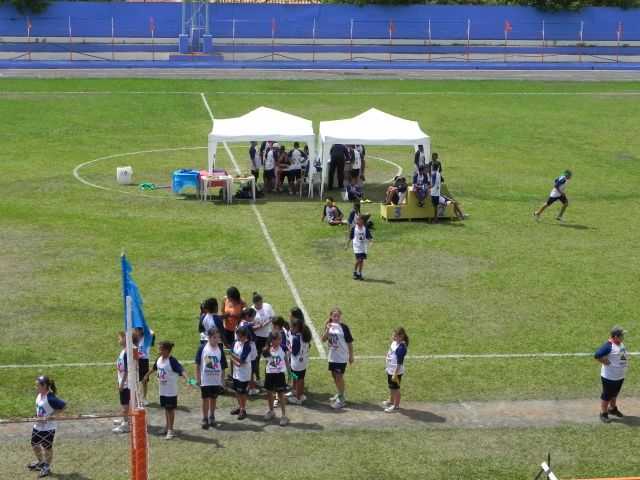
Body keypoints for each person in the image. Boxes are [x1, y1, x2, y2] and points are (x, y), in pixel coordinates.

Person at [144, 341, 191, 440]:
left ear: (166, 350)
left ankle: (170, 430)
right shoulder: (159, 359)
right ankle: (167, 426)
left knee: (170, 410)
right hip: (162, 390)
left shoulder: (172, 361)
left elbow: (181, 370)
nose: (158, 350)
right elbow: (154, 368)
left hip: (170, 391)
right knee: (166, 408)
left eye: (160, 349)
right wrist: (147, 375)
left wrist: (188, 380)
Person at [29, 375, 67, 478]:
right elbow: (40, 406)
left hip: (48, 428)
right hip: (38, 425)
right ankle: (40, 462)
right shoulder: (39, 394)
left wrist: (52, 415)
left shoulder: (50, 398)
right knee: (34, 444)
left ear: (44, 386)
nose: (36, 387)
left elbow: (64, 406)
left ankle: (46, 468)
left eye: (37, 385)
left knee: (47, 447)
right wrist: (37, 413)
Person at [594, 326, 629, 423]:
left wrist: (624, 364)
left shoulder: (620, 344)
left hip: (619, 375)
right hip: (610, 376)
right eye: (622, 335)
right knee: (607, 394)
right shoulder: (608, 346)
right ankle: (603, 412)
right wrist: (607, 362)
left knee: (614, 393)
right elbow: (597, 355)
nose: (623, 337)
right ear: (616, 336)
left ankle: (612, 409)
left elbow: (621, 357)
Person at [322, 307, 354, 409]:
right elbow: (323, 339)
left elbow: (350, 342)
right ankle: (339, 393)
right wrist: (327, 329)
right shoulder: (329, 326)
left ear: (340, 316)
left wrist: (351, 355)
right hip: (332, 356)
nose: (336, 318)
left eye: (338, 316)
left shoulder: (344, 327)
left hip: (341, 357)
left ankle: (341, 400)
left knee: (339, 378)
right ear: (331, 316)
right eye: (334, 316)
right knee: (334, 376)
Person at [195, 328, 227, 429]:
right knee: (205, 399)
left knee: (213, 398)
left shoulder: (220, 350)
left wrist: (222, 379)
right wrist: (198, 378)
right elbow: (197, 364)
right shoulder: (203, 348)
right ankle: (205, 418)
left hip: (216, 380)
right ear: (209, 338)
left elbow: (223, 366)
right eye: (214, 337)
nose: (216, 339)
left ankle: (212, 416)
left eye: (218, 337)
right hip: (205, 380)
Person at [262, 330, 291, 426]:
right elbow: (267, 363)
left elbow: (286, 360)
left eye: (280, 339)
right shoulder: (267, 349)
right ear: (273, 340)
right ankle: (271, 411)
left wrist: (289, 373)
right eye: (278, 339)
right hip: (270, 374)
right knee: (269, 393)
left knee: (281, 394)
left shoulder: (283, 348)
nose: (280, 340)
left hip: (279, 374)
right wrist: (266, 374)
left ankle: (283, 416)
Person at [227, 326, 252, 420]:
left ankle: (243, 409)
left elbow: (241, 361)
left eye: (240, 336)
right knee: (237, 391)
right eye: (237, 336)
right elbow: (232, 352)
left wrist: (230, 355)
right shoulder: (235, 342)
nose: (238, 338)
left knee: (242, 392)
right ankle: (239, 406)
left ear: (245, 336)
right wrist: (230, 353)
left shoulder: (247, 346)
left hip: (244, 372)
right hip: (236, 371)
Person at [286, 314, 311, 405]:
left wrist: (288, 347)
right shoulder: (305, 335)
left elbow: (294, 352)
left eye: (292, 327)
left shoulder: (296, 338)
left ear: (296, 327)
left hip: (297, 362)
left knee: (297, 380)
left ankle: (298, 398)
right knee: (301, 379)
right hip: (303, 361)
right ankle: (301, 395)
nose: (291, 328)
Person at [251, 292, 275, 389]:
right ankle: (258, 378)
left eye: (261, 303)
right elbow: (251, 326)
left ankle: (268, 378)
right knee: (256, 359)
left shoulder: (267, 306)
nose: (260, 305)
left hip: (268, 336)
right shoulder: (252, 310)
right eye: (258, 304)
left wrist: (268, 322)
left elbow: (272, 317)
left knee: (269, 357)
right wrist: (260, 326)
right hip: (257, 338)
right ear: (254, 303)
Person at [382, 327, 408, 413]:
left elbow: (399, 363)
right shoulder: (395, 342)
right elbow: (390, 352)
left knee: (396, 388)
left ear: (401, 336)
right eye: (393, 335)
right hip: (390, 369)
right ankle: (391, 401)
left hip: (396, 371)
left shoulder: (401, 348)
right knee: (391, 386)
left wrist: (395, 374)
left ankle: (396, 406)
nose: (393, 337)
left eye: (396, 336)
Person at [113, 331, 131, 434]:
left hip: (125, 384)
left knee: (125, 403)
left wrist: (122, 383)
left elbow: (127, 370)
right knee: (123, 402)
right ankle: (125, 418)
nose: (118, 340)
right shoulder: (124, 351)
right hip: (122, 382)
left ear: (125, 339)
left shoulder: (126, 353)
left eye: (119, 338)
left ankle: (125, 424)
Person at [346, 215, 372, 281]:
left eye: (358, 220)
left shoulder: (365, 228)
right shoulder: (354, 228)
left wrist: (370, 242)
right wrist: (346, 245)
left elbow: (368, 236)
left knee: (361, 262)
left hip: (363, 247)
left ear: (362, 221)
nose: (357, 221)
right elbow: (351, 237)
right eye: (356, 220)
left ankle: (359, 274)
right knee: (359, 260)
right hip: (357, 246)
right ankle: (355, 272)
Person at [133, 327, 155, 406]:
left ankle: (144, 398)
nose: (134, 331)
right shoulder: (133, 339)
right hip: (135, 361)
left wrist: (144, 326)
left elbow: (152, 333)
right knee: (134, 380)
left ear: (141, 331)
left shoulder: (147, 339)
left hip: (144, 361)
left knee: (144, 380)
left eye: (136, 330)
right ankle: (135, 398)